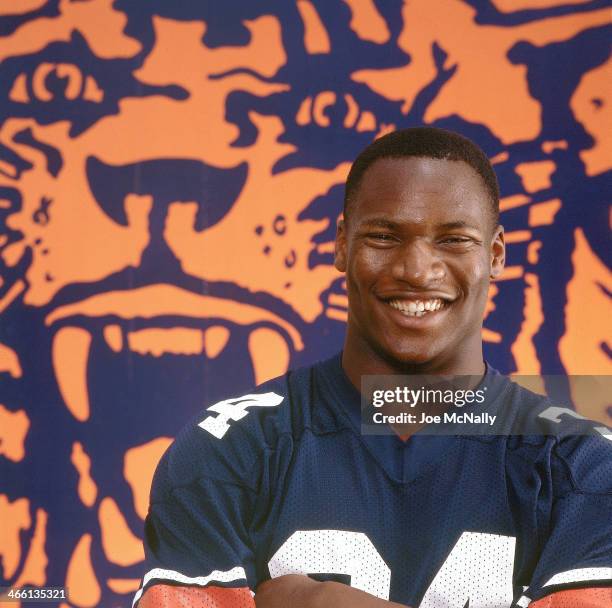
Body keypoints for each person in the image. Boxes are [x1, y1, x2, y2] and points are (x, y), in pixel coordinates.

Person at [133, 128, 612, 608]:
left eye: (453, 239)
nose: (417, 269)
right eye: (384, 236)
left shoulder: (582, 464)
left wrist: (325, 603)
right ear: (342, 244)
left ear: (495, 255)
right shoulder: (230, 451)